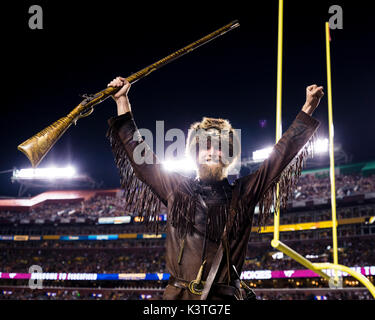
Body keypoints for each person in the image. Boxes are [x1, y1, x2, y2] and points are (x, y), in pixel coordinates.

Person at [106, 76, 323, 300]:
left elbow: (280, 155)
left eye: (219, 147)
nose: (211, 152)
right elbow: (141, 158)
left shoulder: (244, 194)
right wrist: (122, 102)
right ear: (195, 154)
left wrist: (307, 108)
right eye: (205, 146)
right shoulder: (176, 188)